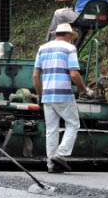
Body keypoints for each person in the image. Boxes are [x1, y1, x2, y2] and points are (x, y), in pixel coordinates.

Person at [33, 23, 94, 173]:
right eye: (71, 37)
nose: (72, 40)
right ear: (68, 35)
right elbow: (74, 74)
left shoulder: (43, 48)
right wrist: (85, 90)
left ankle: (51, 165)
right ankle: (61, 154)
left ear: (56, 34)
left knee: (51, 129)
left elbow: (35, 75)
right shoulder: (69, 48)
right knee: (73, 124)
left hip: (47, 95)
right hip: (63, 94)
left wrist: (40, 95)